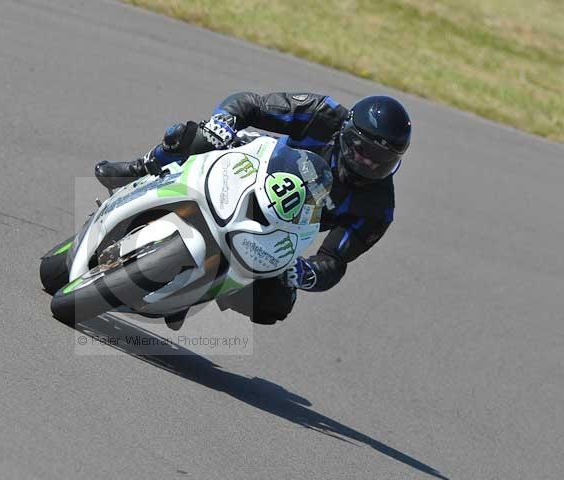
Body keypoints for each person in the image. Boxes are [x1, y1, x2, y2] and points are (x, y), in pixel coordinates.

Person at [94, 93, 411, 324]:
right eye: (361, 150)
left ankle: (207, 289)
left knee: (275, 304)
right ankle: (140, 169)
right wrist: (225, 121)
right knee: (192, 136)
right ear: (345, 132)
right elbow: (252, 105)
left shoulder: (377, 208)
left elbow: (335, 260)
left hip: (279, 233)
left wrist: (306, 273)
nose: (367, 163)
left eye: (380, 161)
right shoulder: (323, 114)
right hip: (251, 169)